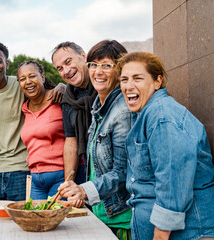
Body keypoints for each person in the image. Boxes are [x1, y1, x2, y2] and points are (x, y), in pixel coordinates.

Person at [118, 52, 214, 240]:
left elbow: (173, 178)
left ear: (157, 82)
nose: (128, 86)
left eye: (137, 78)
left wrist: (160, 234)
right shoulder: (146, 113)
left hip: (192, 233)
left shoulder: (162, 117)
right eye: (124, 79)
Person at [0, 41, 64, 202]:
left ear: (6, 63)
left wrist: (63, 86)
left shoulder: (20, 84)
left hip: (22, 170)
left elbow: (45, 90)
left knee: (23, 222)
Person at [58, 40, 132, 239]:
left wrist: (83, 190)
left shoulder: (122, 112)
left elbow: (123, 171)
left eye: (107, 65)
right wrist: (75, 187)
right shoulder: (98, 109)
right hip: (103, 211)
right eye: (94, 65)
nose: (98, 72)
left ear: (120, 70)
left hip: (121, 217)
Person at [17, 60, 65, 199]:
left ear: (42, 77)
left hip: (60, 177)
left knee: (58, 220)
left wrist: (65, 87)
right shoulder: (24, 108)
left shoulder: (58, 98)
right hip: (36, 180)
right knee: (36, 218)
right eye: (22, 79)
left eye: (32, 76)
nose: (28, 82)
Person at [52, 41, 97, 186]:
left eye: (68, 62)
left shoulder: (103, 85)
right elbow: (71, 142)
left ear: (83, 56)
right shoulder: (68, 99)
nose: (66, 70)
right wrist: (68, 181)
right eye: (60, 68)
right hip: (85, 171)